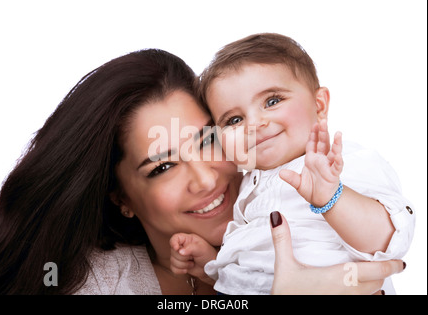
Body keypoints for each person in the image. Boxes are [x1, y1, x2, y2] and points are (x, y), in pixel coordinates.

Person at [0, 48, 406, 295]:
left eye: (208, 140)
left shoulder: (302, 215)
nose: (205, 179)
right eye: (162, 166)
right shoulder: (96, 282)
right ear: (121, 198)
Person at [170, 33, 415, 295]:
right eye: (234, 120)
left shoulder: (342, 163)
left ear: (319, 106)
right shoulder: (248, 186)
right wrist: (212, 264)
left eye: (272, 101)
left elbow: (389, 241)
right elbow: (257, 271)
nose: (254, 124)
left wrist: (333, 198)